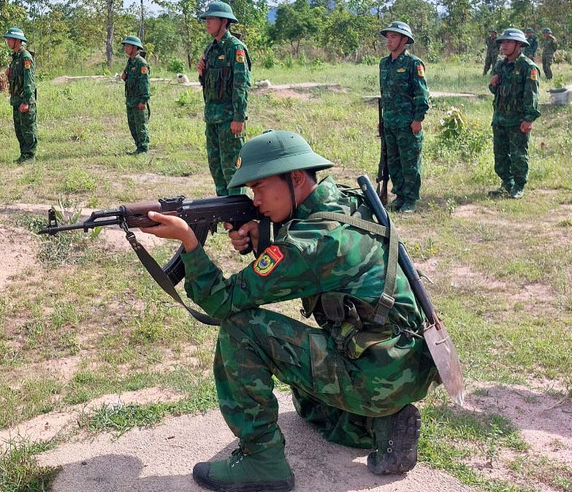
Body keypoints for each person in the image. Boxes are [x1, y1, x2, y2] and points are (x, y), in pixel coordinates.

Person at [140, 130, 438, 492]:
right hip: (404, 362)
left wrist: (189, 242)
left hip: (373, 373)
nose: (255, 199)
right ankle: (382, 422)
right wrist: (264, 235)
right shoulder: (348, 201)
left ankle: (262, 463)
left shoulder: (308, 245)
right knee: (306, 403)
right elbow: (312, 246)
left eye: (259, 187)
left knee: (242, 329)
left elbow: (223, 301)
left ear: (295, 178)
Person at [196, 1, 251, 196]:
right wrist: (202, 73)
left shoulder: (235, 48)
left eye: (211, 19)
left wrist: (239, 118)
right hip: (212, 118)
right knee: (216, 168)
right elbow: (210, 85)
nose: (207, 23)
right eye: (206, 19)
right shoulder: (210, 49)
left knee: (232, 170)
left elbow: (241, 85)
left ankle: (238, 210)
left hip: (229, 120)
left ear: (224, 21)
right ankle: (223, 208)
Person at [378, 21, 429, 213]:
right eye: (388, 37)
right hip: (390, 122)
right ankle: (399, 195)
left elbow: (422, 94)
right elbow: (385, 94)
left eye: (394, 37)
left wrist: (418, 119)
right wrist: (383, 120)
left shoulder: (413, 64)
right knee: (393, 161)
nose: (389, 41)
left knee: (409, 162)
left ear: (404, 40)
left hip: (408, 123)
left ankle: (410, 199)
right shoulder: (384, 64)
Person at [489, 28, 540, 199]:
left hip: (518, 120)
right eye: (502, 42)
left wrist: (529, 119)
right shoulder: (500, 65)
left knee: (518, 156)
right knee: (500, 156)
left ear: (519, 45)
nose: (504, 45)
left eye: (509, 42)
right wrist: (493, 84)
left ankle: (518, 186)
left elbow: (532, 95)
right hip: (500, 119)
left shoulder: (528, 67)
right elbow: (494, 90)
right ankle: (506, 184)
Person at [5, 28, 37, 163]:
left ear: (18, 41)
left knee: (28, 129)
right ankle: (24, 155)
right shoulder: (16, 57)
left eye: (10, 39)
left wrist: (26, 101)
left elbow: (29, 81)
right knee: (19, 130)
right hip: (16, 99)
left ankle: (30, 156)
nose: (7, 41)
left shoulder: (25, 57)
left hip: (24, 99)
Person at [120, 35, 150, 154]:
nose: (126, 48)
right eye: (126, 46)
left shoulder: (141, 63)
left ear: (135, 48)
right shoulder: (130, 62)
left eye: (128, 46)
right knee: (132, 125)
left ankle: (143, 149)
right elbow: (125, 76)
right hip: (130, 99)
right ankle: (138, 148)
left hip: (138, 100)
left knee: (140, 126)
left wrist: (144, 100)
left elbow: (145, 82)